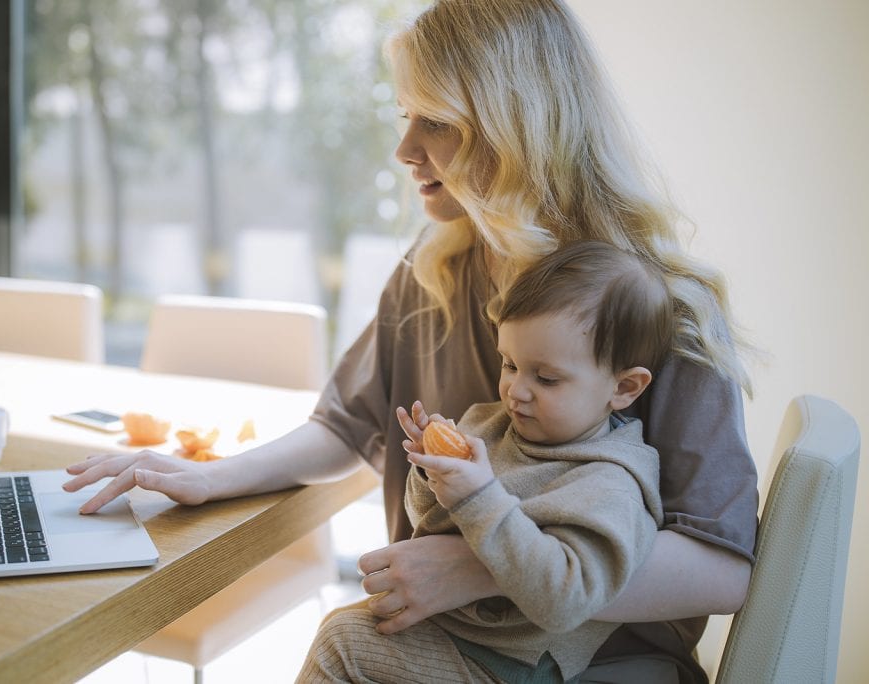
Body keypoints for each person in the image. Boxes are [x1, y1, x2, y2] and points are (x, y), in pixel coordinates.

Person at [63, 1, 758, 680]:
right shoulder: (434, 268)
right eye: (405, 117)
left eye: (438, 123)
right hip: (443, 646)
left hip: (603, 663)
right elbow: (348, 424)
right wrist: (212, 476)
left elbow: (721, 567)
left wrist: (481, 569)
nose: (404, 150)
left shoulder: (660, 306)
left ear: (516, 127)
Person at [297, 240, 673, 682]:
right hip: (452, 629)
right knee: (344, 626)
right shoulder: (491, 424)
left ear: (625, 388)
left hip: (512, 664)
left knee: (343, 643)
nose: (517, 389)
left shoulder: (610, 481)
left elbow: (566, 600)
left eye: (546, 377)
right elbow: (432, 527)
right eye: (509, 364)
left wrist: (479, 497)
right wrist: (433, 474)